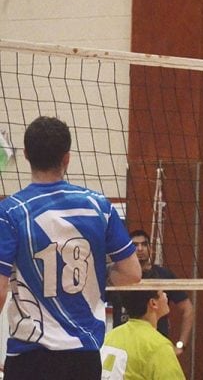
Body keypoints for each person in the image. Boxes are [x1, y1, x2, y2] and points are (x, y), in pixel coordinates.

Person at [0, 116, 142, 380]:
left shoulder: (10, 212)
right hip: (83, 359)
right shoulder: (100, 207)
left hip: (30, 357)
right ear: (67, 158)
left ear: (26, 155)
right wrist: (101, 273)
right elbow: (133, 274)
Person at [110, 230, 194, 356]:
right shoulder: (118, 276)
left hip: (155, 348)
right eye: (135, 245)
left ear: (150, 248)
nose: (140, 249)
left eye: (144, 244)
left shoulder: (164, 275)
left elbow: (188, 309)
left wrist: (180, 345)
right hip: (125, 347)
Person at [100, 290, 185, 380]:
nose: (165, 295)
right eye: (162, 292)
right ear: (153, 303)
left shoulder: (109, 337)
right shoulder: (158, 345)